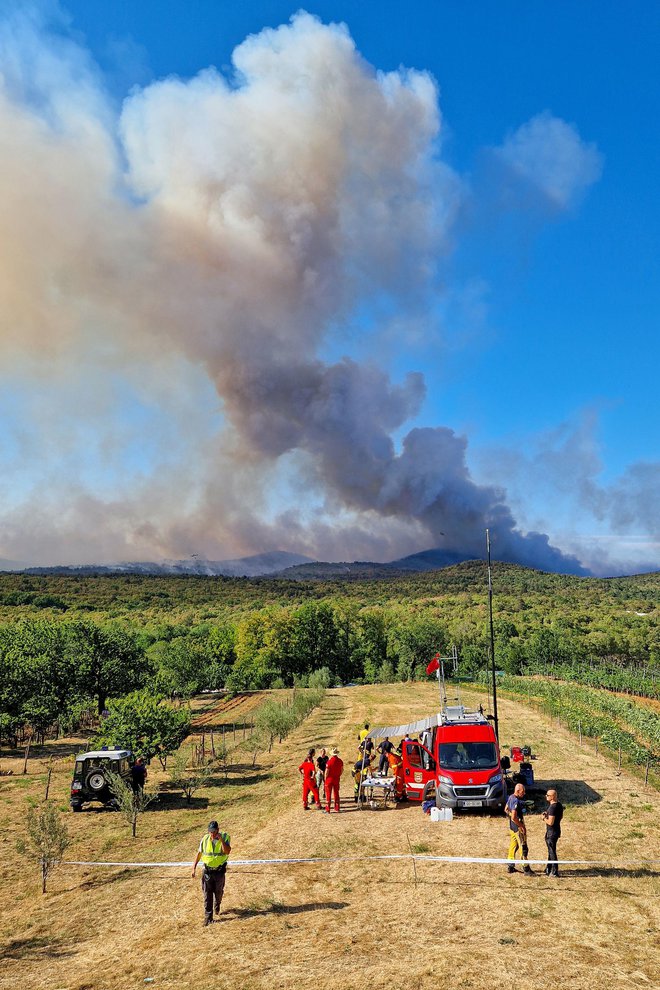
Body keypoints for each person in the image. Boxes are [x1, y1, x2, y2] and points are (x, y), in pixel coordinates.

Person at [192, 820, 231, 926]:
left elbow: (227, 851)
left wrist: (221, 840)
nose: (212, 833)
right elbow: (199, 854)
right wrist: (194, 868)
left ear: (218, 830)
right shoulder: (205, 839)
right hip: (207, 871)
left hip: (219, 872)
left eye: (213, 831)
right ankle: (208, 917)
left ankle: (217, 904)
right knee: (207, 894)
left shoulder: (226, 837)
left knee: (218, 892)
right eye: (210, 831)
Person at [505, 783, 532, 875]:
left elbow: (506, 809)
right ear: (518, 791)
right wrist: (521, 825)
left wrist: (512, 819)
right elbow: (514, 816)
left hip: (512, 827)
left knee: (513, 846)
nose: (524, 793)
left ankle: (510, 866)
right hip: (517, 828)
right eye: (522, 792)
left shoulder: (510, 797)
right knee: (523, 847)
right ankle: (526, 869)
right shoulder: (515, 801)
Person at [542, 788, 564, 877]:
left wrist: (544, 818)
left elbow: (550, 822)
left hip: (551, 833)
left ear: (552, 797)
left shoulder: (552, 807)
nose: (546, 796)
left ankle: (554, 871)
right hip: (556, 830)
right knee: (550, 850)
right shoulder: (559, 805)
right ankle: (548, 868)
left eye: (548, 795)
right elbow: (560, 817)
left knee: (552, 851)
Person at [324, 747, 344, 813]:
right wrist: (338, 775)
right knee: (336, 793)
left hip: (329, 779)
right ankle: (337, 808)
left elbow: (327, 771)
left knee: (328, 794)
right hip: (336, 779)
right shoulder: (340, 761)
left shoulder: (329, 762)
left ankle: (328, 809)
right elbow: (342, 770)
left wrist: (325, 778)